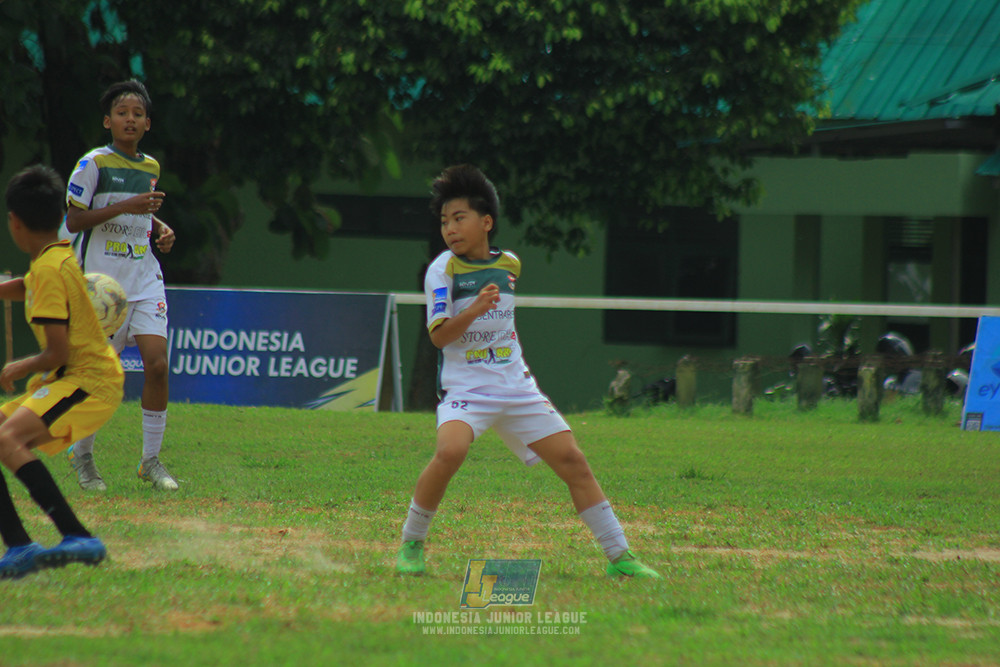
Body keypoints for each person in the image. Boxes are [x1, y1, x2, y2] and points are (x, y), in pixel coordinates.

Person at [396, 164, 660, 579]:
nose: (449, 228)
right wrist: (476, 310)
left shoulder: (511, 265)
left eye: (459, 218)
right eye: (444, 221)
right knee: (450, 452)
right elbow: (439, 337)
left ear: (487, 222)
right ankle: (412, 543)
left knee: (574, 461)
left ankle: (620, 557)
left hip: (517, 387)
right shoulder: (441, 270)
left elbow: (504, 322)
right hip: (468, 390)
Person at [0, 165, 122, 579]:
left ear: (15, 223)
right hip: (73, 378)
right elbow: (30, 285)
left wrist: (19, 365)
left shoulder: (49, 268)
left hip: (89, 382)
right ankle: (18, 546)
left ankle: (77, 535)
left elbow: (56, 352)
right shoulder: (55, 253)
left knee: (8, 438)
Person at [63, 79, 178, 491]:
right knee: (101, 376)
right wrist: (129, 206)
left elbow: (138, 217)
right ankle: (83, 455)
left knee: (158, 365)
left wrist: (160, 229)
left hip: (144, 278)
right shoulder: (92, 164)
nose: (130, 119)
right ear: (107, 120)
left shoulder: (150, 167)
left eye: (138, 114)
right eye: (122, 112)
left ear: (148, 123)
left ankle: (150, 461)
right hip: (103, 288)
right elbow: (75, 220)